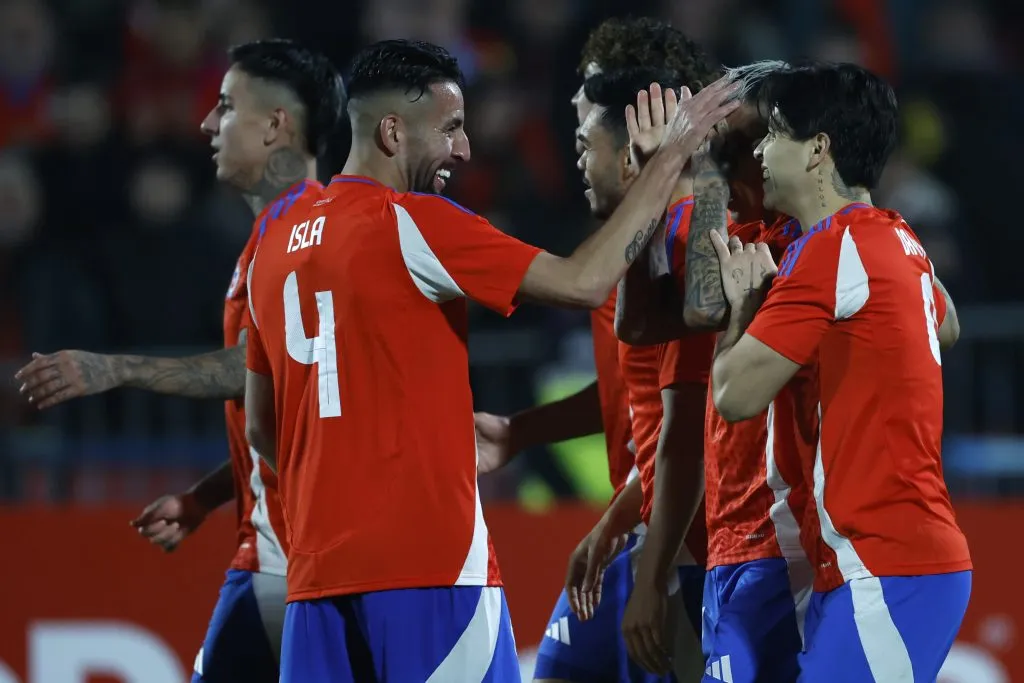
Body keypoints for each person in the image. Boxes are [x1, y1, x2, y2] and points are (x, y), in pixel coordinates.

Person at [243, 39, 738, 683]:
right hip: (430, 569)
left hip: (315, 576)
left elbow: (262, 426)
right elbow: (584, 281)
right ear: (393, 132)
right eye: (450, 129)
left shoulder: (270, 249)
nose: (465, 149)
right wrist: (670, 162)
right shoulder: (414, 221)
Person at [14, 38, 346, 683]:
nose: (206, 124)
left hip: (291, 564)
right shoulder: (272, 236)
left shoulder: (309, 235)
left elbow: (264, 364)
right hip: (282, 558)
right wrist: (205, 496)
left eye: (225, 107)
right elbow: (290, 408)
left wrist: (116, 369)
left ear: (276, 125)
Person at [473, 18, 720, 683]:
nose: (576, 150)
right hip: (636, 531)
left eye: (586, 133)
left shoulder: (691, 238)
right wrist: (521, 430)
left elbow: (689, 423)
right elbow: (630, 388)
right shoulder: (632, 242)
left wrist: (623, 534)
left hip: (681, 543)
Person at [709, 61, 969, 683]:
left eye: (774, 133)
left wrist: (745, 310)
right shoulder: (898, 239)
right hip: (876, 564)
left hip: (891, 567)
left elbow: (733, 394)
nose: (762, 152)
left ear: (818, 149)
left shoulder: (831, 248)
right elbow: (947, 323)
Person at [614, 60, 822, 683]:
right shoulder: (716, 220)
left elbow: (704, 308)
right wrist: (652, 179)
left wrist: (695, 165)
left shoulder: (803, 237)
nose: (730, 156)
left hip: (787, 538)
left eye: (736, 140)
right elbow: (636, 324)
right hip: (726, 538)